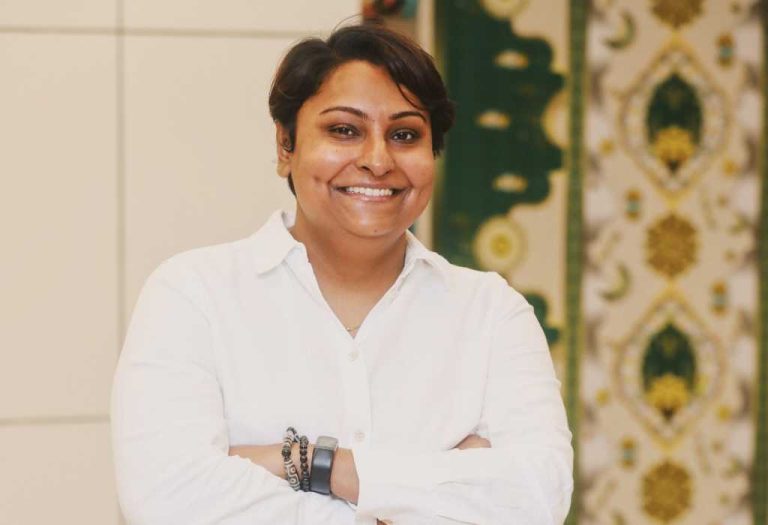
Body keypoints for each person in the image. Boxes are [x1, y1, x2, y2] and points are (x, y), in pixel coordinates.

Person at [111, 23, 573, 524]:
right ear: (285, 146)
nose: (377, 160)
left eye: (404, 135)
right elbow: (169, 503)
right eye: (344, 130)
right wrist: (429, 493)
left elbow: (538, 498)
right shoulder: (193, 296)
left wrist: (317, 465)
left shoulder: (492, 313)